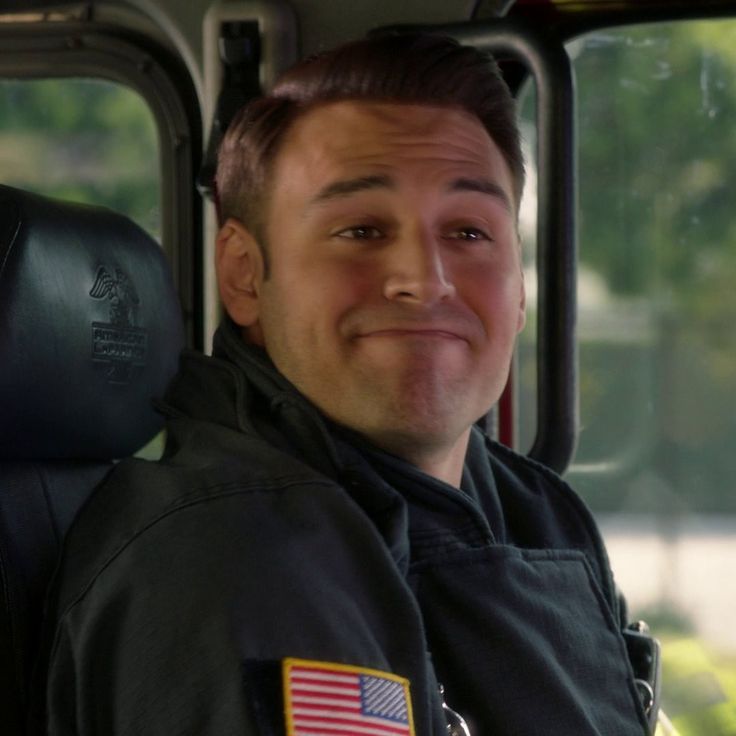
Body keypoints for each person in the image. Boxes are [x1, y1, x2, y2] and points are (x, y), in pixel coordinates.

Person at [32, 34, 652, 735]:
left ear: (520, 294)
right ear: (243, 275)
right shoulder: (235, 563)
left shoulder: (533, 513)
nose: (424, 279)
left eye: (470, 233)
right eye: (360, 230)